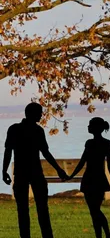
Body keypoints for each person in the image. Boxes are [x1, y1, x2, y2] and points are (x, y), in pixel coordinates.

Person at [2, 102, 68, 238]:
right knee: (42, 209)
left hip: (20, 173)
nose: (41, 115)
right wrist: (58, 169)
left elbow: (8, 151)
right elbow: (45, 153)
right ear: (31, 114)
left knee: (23, 210)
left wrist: (4, 171)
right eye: (39, 113)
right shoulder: (37, 131)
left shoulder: (14, 129)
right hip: (35, 173)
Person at [67, 117, 110, 238]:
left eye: (90, 125)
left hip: (90, 179)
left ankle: (106, 234)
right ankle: (103, 235)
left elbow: (82, 162)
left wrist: (72, 175)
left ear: (96, 128)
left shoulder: (90, 143)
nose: (88, 127)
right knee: (95, 210)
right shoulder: (106, 143)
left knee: (94, 211)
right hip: (99, 179)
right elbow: (109, 164)